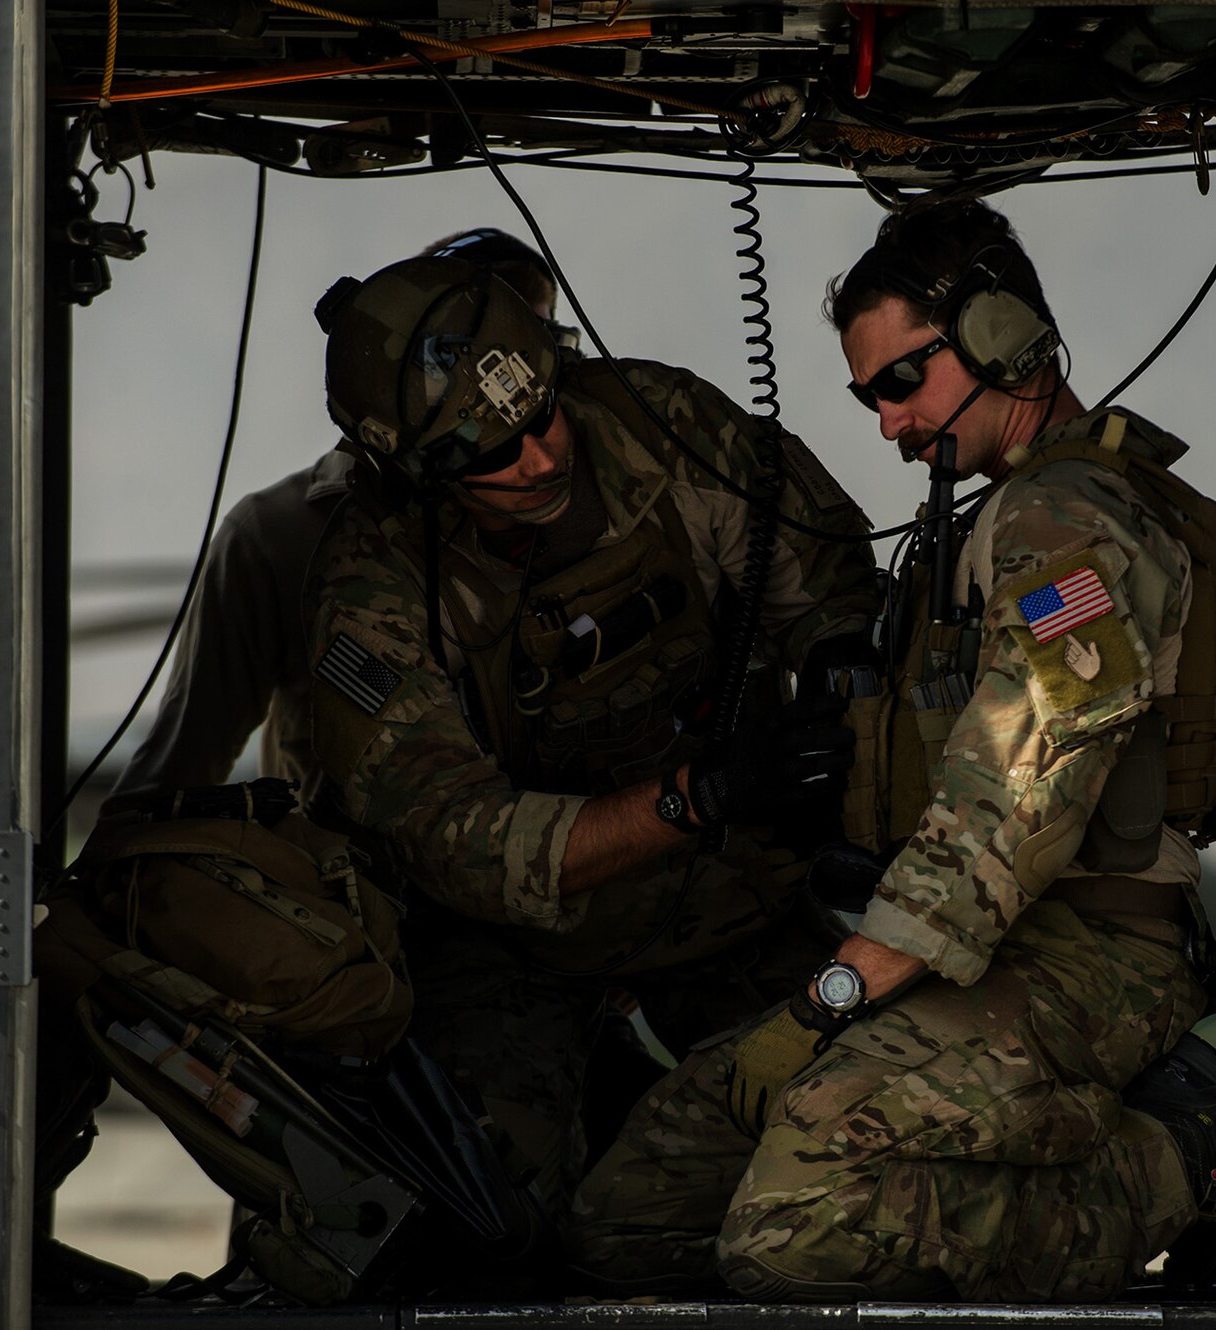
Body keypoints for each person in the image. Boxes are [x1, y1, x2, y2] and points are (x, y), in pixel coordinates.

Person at [568, 201, 1216, 1303]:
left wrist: (828, 999)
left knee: (786, 1234)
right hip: (960, 952)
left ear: (998, 336)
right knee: (626, 1217)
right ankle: (1108, 1119)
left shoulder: (1060, 526)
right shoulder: (994, 521)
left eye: (901, 382)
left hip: (1087, 955)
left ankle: (1179, 1162)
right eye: (867, 395)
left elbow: (1016, 797)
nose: (888, 425)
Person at [304, 250, 882, 1230]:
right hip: (520, 951)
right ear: (417, 474)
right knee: (478, 1203)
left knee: (869, 1126)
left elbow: (829, 585)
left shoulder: (661, 425)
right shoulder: (373, 590)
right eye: (495, 454)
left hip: (735, 902)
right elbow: (448, 833)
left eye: (543, 416)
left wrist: (837, 700)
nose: (540, 460)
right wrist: (694, 800)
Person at [100, 229, 564, 812]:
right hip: (341, 893)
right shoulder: (278, 534)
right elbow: (178, 769)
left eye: (534, 353)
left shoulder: (594, 503)